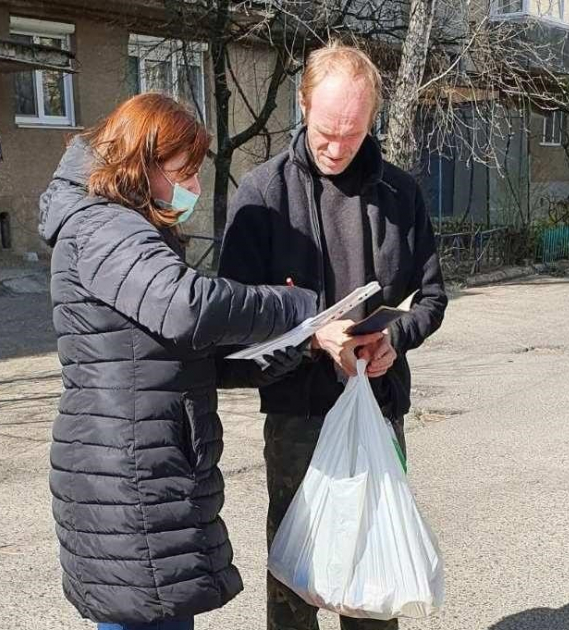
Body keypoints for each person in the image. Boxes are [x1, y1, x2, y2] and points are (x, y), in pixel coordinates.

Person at [38, 93, 317, 630]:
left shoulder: (129, 229)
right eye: (183, 174)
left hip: (146, 471)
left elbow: (188, 361)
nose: (192, 189)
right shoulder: (104, 227)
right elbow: (188, 307)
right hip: (127, 479)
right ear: (141, 166)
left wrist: (297, 341)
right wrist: (295, 304)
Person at [217, 42, 448, 630]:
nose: (336, 147)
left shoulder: (401, 193)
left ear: (371, 118)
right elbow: (232, 326)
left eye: (352, 132)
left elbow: (433, 296)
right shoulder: (262, 196)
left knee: (372, 577)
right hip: (298, 416)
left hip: (378, 404)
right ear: (302, 106)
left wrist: (397, 338)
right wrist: (311, 338)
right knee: (296, 581)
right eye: (325, 131)